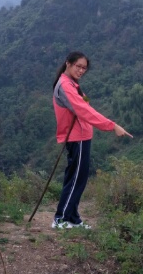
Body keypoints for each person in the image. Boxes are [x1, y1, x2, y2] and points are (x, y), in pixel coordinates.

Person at [52, 51, 133, 229]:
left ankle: (72, 217)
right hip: (76, 137)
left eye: (84, 68)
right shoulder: (65, 85)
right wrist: (112, 125)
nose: (81, 70)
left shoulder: (74, 85)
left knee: (77, 177)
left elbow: (85, 104)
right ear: (68, 63)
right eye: (78, 66)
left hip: (82, 135)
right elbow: (83, 110)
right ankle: (61, 219)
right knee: (76, 179)